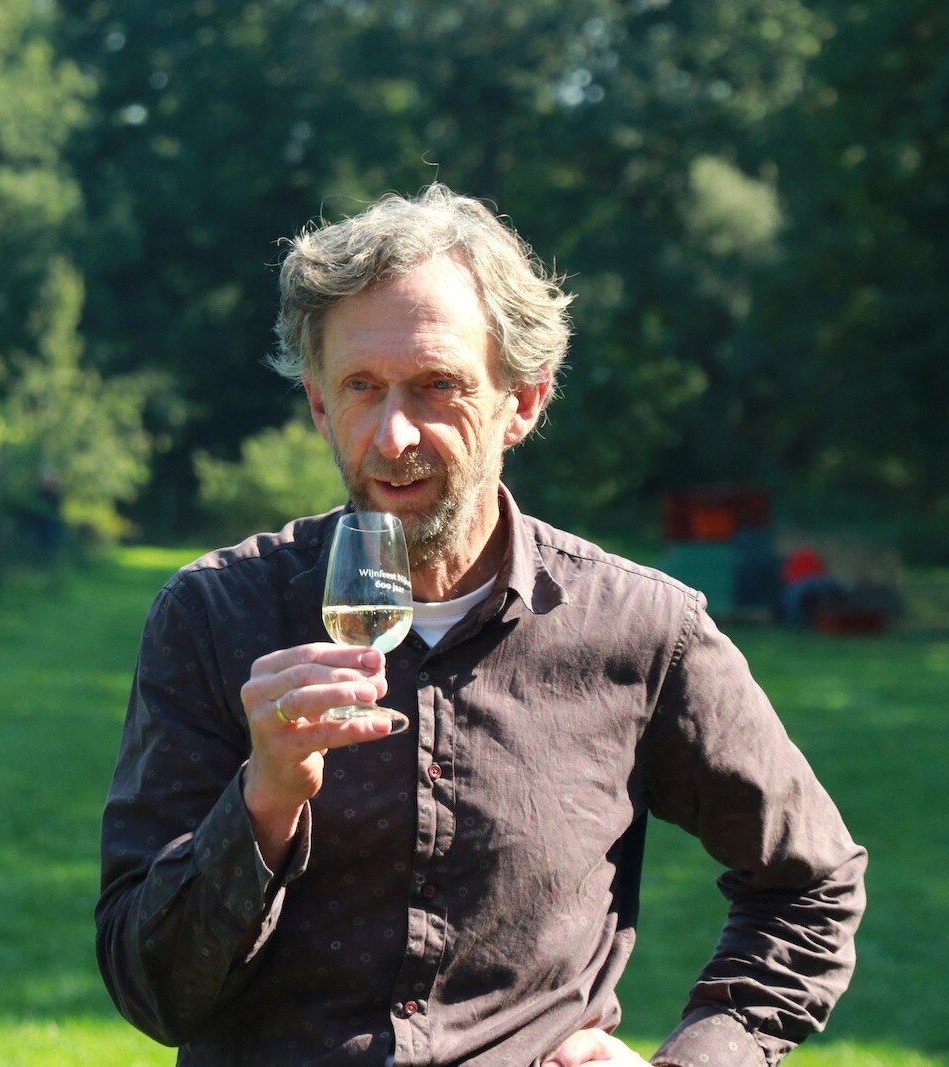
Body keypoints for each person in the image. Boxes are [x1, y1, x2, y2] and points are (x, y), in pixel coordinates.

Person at [96, 186, 867, 1066]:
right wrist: (262, 801)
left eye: (437, 386)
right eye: (361, 387)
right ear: (318, 404)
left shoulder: (643, 632)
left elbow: (810, 885)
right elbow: (150, 989)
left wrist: (696, 1061)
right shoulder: (215, 616)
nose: (392, 435)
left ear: (524, 400)